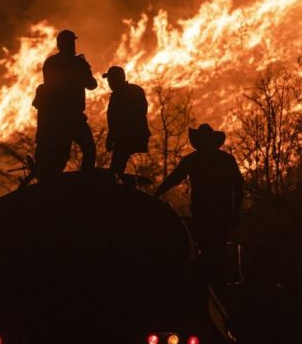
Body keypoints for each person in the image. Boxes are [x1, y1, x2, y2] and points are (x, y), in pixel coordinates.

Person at [154, 123, 244, 286]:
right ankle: (217, 284)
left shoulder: (193, 160)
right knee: (217, 249)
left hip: (205, 212)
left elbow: (174, 178)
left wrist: (157, 194)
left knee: (208, 248)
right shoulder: (226, 160)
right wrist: (236, 213)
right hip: (219, 213)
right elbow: (239, 187)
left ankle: (211, 283)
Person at [33, 29, 97, 175]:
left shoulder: (51, 63)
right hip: (72, 116)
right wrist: (84, 68)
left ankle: (52, 182)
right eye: (72, 42)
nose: (73, 45)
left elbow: (49, 85)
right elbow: (92, 85)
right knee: (89, 148)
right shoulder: (77, 63)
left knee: (60, 155)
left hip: (54, 118)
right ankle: (86, 180)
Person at [102, 65, 150, 183]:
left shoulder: (119, 95)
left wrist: (111, 138)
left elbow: (116, 121)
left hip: (126, 137)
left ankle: (123, 186)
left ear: (117, 79)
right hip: (133, 136)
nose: (109, 83)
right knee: (118, 166)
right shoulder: (136, 90)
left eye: (110, 80)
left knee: (115, 169)